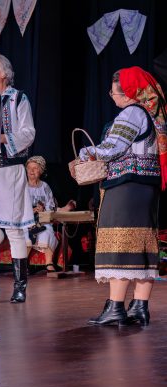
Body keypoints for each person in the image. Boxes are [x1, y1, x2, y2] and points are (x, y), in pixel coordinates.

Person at [78, 66, 166, 326]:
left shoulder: (132, 113)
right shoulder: (153, 112)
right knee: (142, 246)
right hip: (146, 187)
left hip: (127, 187)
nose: (111, 95)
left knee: (119, 243)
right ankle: (139, 306)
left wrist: (86, 153)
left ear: (128, 93)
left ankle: (115, 307)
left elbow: (113, 147)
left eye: (114, 91)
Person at [0, 54, 36, 303]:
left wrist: (3, 138)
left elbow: (28, 132)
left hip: (11, 170)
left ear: (4, 73)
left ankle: (20, 286)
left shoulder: (18, 99)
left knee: (13, 229)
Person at [23, 156, 75, 272]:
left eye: (35, 168)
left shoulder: (45, 186)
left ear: (41, 171)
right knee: (28, 233)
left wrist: (42, 209)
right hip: (26, 220)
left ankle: (49, 263)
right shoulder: (22, 186)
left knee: (47, 231)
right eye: (29, 168)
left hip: (42, 220)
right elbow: (17, 207)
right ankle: (23, 264)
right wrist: (31, 210)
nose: (31, 171)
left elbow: (51, 206)